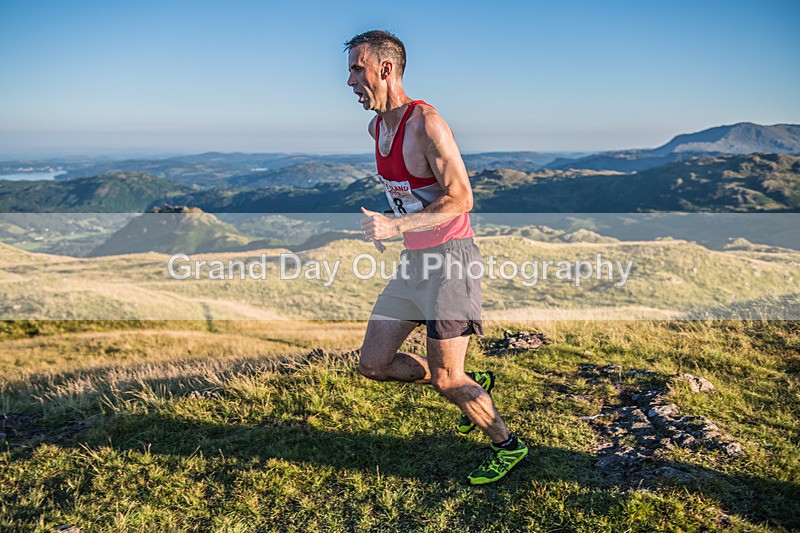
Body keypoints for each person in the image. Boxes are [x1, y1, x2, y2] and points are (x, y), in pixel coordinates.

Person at [345, 29, 528, 485]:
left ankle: (508, 445)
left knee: (449, 379)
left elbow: (462, 198)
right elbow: (409, 194)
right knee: (374, 363)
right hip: (415, 263)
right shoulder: (376, 129)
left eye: (355, 69)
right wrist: (390, 225)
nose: (349, 81)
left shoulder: (426, 123)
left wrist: (397, 225)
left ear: (385, 69)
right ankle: (468, 382)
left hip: (452, 262)